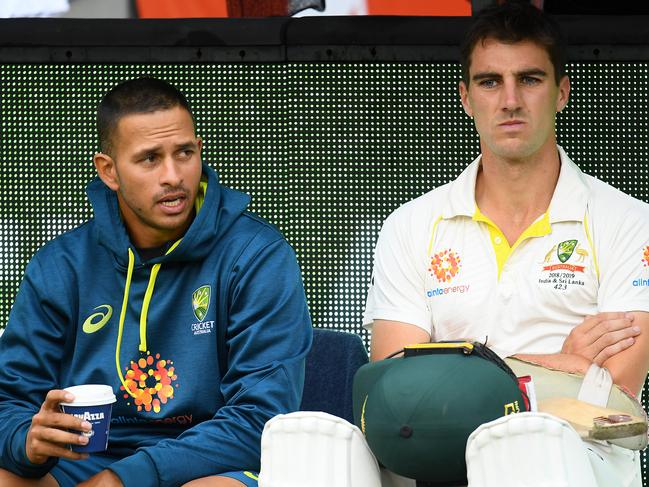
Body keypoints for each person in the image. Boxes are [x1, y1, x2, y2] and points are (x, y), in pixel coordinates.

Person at [363, 1, 649, 485]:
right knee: (313, 438)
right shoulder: (409, 224)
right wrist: (563, 362)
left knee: (533, 443)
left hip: (577, 455)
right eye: (490, 82)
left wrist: (462, 365)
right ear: (465, 97)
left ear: (562, 93)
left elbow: (616, 389)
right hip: (443, 458)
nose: (510, 99)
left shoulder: (629, 220)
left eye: (530, 79)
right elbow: (400, 394)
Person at [0, 77, 313, 487]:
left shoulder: (256, 253)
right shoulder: (61, 265)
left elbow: (260, 418)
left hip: (209, 461)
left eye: (185, 152)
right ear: (109, 171)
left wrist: (124, 478)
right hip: (85, 460)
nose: (172, 175)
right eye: (149, 158)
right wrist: (26, 441)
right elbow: (10, 400)